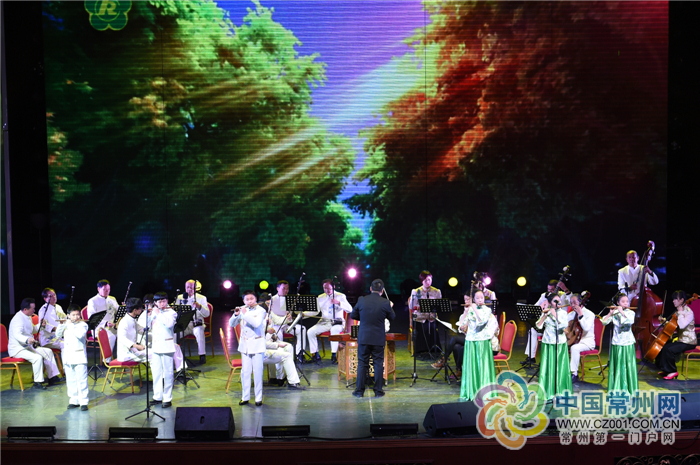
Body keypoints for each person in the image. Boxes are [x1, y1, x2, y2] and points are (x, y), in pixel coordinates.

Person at [350, 279, 395, 398]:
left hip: (364, 337)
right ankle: (378, 391)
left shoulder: (362, 300)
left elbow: (353, 315)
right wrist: (390, 306)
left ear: (370, 289)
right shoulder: (385, 302)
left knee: (362, 364)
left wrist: (364, 317)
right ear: (382, 291)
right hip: (378, 339)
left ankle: (359, 392)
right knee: (378, 364)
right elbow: (392, 317)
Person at [8, 298, 62, 389]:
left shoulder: (28, 317)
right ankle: (37, 382)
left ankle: (52, 377)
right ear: (25, 309)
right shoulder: (17, 319)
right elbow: (17, 335)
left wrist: (41, 325)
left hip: (27, 346)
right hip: (17, 348)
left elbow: (32, 330)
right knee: (37, 358)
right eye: (32, 309)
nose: (34, 310)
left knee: (48, 352)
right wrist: (27, 339)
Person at [229, 290, 266, 406]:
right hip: (245, 346)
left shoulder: (261, 310)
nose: (250, 301)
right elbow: (231, 324)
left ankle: (258, 398)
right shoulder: (242, 309)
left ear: (256, 299)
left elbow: (256, 324)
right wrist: (236, 315)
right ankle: (245, 397)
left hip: (257, 345)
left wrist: (245, 314)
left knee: (258, 372)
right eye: (247, 299)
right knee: (245, 372)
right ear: (243, 301)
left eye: (252, 299)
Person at [522, 279, 570, 365]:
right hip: (547, 324)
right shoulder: (544, 295)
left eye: (552, 290)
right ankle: (531, 357)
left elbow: (571, 301)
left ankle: (547, 360)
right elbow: (535, 307)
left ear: (557, 289)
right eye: (548, 289)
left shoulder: (562, 296)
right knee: (532, 331)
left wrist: (566, 289)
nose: (550, 292)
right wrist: (543, 307)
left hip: (558, 327)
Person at [460, 291, 496, 400]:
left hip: (482, 341)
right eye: (477, 298)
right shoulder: (470, 309)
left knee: (483, 367)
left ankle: (484, 392)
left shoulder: (487, 310)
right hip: (471, 341)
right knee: (472, 367)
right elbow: (461, 326)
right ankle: (472, 391)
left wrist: (474, 309)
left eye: (482, 298)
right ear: (474, 300)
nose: (480, 300)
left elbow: (481, 322)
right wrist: (466, 312)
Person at [536, 293, 573, 399]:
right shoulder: (547, 312)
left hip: (559, 343)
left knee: (559, 367)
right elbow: (538, 326)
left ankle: (560, 391)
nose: (558, 302)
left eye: (559, 300)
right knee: (548, 367)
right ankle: (548, 391)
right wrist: (544, 315)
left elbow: (563, 326)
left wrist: (555, 316)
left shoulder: (563, 313)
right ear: (550, 303)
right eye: (555, 301)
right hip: (547, 343)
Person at [306, 279, 352, 364]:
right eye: (324, 288)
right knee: (310, 331)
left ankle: (334, 355)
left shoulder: (341, 296)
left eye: (328, 288)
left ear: (333, 286)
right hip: (324, 322)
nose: (326, 290)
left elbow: (350, 309)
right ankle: (316, 355)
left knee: (334, 330)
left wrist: (339, 303)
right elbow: (315, 311)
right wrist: (303, 314)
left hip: (337, 322)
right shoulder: (320, 297)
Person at [654, 290, 697, 380]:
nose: (673, 301)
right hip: (681, 340)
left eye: (675, 299)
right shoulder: (678, 312)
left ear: (681, 300)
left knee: (669, 350)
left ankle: (673, 371)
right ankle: (665, 369)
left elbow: (682, 325)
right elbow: (672, 325)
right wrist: (664, 321)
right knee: (662, 347)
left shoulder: (688, 312)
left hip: (689, 342)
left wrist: (680, 313)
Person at [601, 294, 638, 395]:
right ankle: (617, 388)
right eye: (623, 302)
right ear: (618, 303)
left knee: (627, 366)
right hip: (617, 342)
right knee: (618, 366)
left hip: (627, 343)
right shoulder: (615, 312)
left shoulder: (631, 313)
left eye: (627, 301)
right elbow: (604, 322)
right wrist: (610, 313)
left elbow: (628, 322)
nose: (626, 303)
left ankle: (629, 389)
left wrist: (621, 312)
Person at [56, 305, 89, 410]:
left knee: (82, 380)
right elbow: (58, 334)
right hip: (68, 356)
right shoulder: (67, 324)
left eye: (77, 314)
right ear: (68, 315)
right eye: (73, 315)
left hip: (79, 356)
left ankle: (83, 402)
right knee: (71, 380)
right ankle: (74, 400)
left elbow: (80, 335)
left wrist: (70, 325)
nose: (76, 317)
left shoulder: (83, 325)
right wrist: (62, 325)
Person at [149, 292, 177, 408]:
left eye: (163, 301)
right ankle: (157, 396)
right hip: (155, 346)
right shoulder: (154, 312)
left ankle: (167, 398)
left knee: (168, 373)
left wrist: (158, 313)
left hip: (166, 346)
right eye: (159, 301)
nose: (162, 303)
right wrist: (147, 315)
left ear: (167, 301)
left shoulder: (171, 312)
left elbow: (169, 324)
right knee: (156, 372)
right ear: (155, 302)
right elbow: (146, 326)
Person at [432, 293, 470, 374]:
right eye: (465, 300)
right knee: (456, 346)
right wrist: (466, 312)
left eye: (468, 299)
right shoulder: (465, 313)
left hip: (474, 338)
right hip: (467, 337)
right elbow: (460, 327)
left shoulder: (476, 312)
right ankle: (459, 370)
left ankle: (444, 359)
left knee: (454, 338)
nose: (466, 301)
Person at [175, 280, 210, 365]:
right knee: (175, 333)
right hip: (184, 324)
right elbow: (175, 312)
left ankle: (202, 355)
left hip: (196, 324)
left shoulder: (202, 298)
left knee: (199, 331)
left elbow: (207, 314)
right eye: (188, 287)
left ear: (195, 288)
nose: (189, 289)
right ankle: (176, 357)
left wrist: (199, 306)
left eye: (191, 287)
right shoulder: (179, 297)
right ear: (185, 288)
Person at [408, 270, 442, 355]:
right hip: (420, 318)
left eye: (429, 280)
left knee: (432, 327)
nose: (428, 282)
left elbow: (439, 306)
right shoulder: (416, 291)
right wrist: (419, 307)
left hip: (431, 317)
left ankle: (433, 349)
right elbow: (411, 306)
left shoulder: (436, 291)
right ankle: (421, 350)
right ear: (422, 281)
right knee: (424, 327)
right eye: (425, 280)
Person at [263, 325, 306, 390]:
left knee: (288, 347)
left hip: (264, 349)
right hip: (260, 354)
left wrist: (273, 336)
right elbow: (262, 344)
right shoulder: (255, 325)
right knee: (286, 355)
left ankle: (280, 378)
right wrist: (277, 344)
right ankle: (292, 382)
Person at [86, 279, 119, 362]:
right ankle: (107, 361)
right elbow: (92, 318)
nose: (107, 291)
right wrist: (106, 323)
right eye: (104, 289)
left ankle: (123, 358)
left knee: (125, 332)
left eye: (108, 289)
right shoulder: (92, 301)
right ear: (98, 289)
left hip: (113, 326)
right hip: (99, 327)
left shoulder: (112, 299)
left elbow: (117, 312)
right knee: (111, 335)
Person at [567, 293, 596, 383]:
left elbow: (586, 328)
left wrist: (580, 314)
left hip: (586, 342)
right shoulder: (571, 314)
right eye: (571, 303)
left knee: (574, 348)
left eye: (575, 302)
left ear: (580, 302)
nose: (572, 305)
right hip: (574, 340)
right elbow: (564, 325)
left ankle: (574, 374)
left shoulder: (589, 314)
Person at [117, 298, 147, 363]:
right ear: (135, 310)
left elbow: (142, 330)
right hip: (125, 354)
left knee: (151, 353)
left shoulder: (133, 319)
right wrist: (137, 346)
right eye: (140, 308)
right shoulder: (124, 321)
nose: (141, 310)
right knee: (152, 356)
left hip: (133, 351)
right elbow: (122, 338)